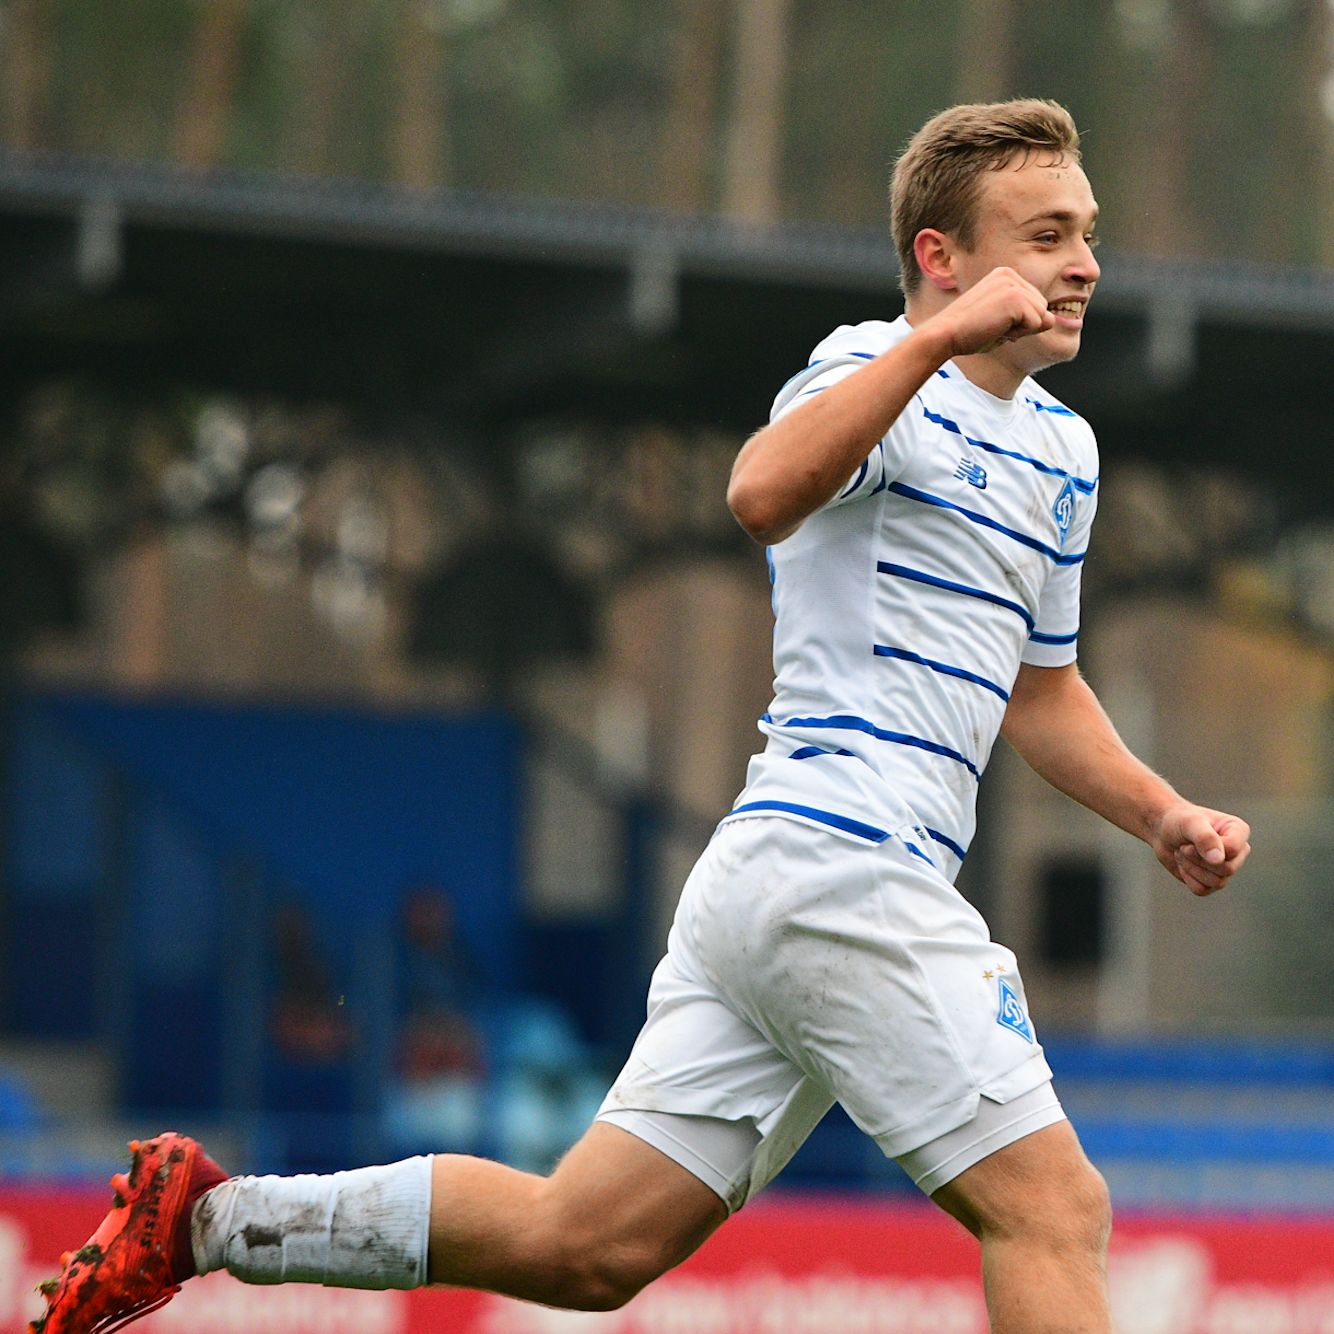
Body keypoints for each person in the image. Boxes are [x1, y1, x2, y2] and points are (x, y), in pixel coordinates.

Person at [31, 99, 1251, 1334]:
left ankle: (206, 1216)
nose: (1083, 264)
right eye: (1043, 236)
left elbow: (1038, 690)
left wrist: (1161, 813)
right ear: (941, 256)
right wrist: (929, 345)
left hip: (785, 882)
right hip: (843, 864)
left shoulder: (1063, 453)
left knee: (588, 1243)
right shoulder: (868, 367)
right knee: (1053, 1207)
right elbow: (760, 489)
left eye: (1085, 233)